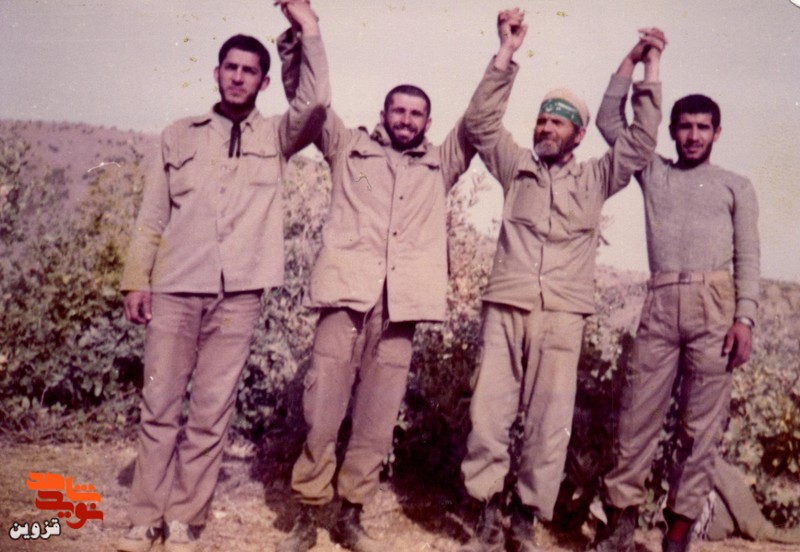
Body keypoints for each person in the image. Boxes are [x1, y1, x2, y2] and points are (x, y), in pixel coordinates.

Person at [116, 2, 329, 551]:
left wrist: (308, 27)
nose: (238, 77)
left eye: (249, 71)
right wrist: (137, 279)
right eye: (230, 67)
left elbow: (316, 101)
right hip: (175, 288)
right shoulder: (179, 134)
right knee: (160, 406)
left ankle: (186, 519)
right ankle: (145, 517)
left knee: (211, 412)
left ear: (263, 82)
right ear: (216, 73)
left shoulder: (278, 136)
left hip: (238, 297)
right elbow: (152, 217)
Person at [458, 9, 663, 552]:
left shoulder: (597, 177)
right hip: (507, 304)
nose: (546, 128)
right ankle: (486, 515)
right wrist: (505, 51)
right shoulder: (515, 167)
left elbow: (640, 143)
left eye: (558, 123)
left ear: (577, 133)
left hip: (563, 314)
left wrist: (642, 67)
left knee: (550, 423)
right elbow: (479, 124)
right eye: (542, 120)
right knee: (489, 413)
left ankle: (526, 520)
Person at [275, 22, 475, 552]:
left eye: (416, 113)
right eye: (398, 110)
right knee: (323, 412)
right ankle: (307, 514)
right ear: (383, 113)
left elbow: (478, 120)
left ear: (428, 121)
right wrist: (302, 34)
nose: (406, 119)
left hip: (399, 310)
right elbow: (307, 101)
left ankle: (350, 515)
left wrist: (504, 55)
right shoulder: (351, 152)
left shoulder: (440, 165)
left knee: (375, 422)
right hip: (346, 300)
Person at [590, 29, 760, 552]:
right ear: (671, 132)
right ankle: (620, 524)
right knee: (637, 417)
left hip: (715, 309)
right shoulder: (654, 172)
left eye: (702, 127)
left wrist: (745, 318)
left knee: (700, 428)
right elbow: (609, 121)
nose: (692, 135)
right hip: (662, 304)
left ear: (717, 132)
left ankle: (679, 531)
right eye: (684, 126)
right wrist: (638, 60)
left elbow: (748, 256)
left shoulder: (736, 186)